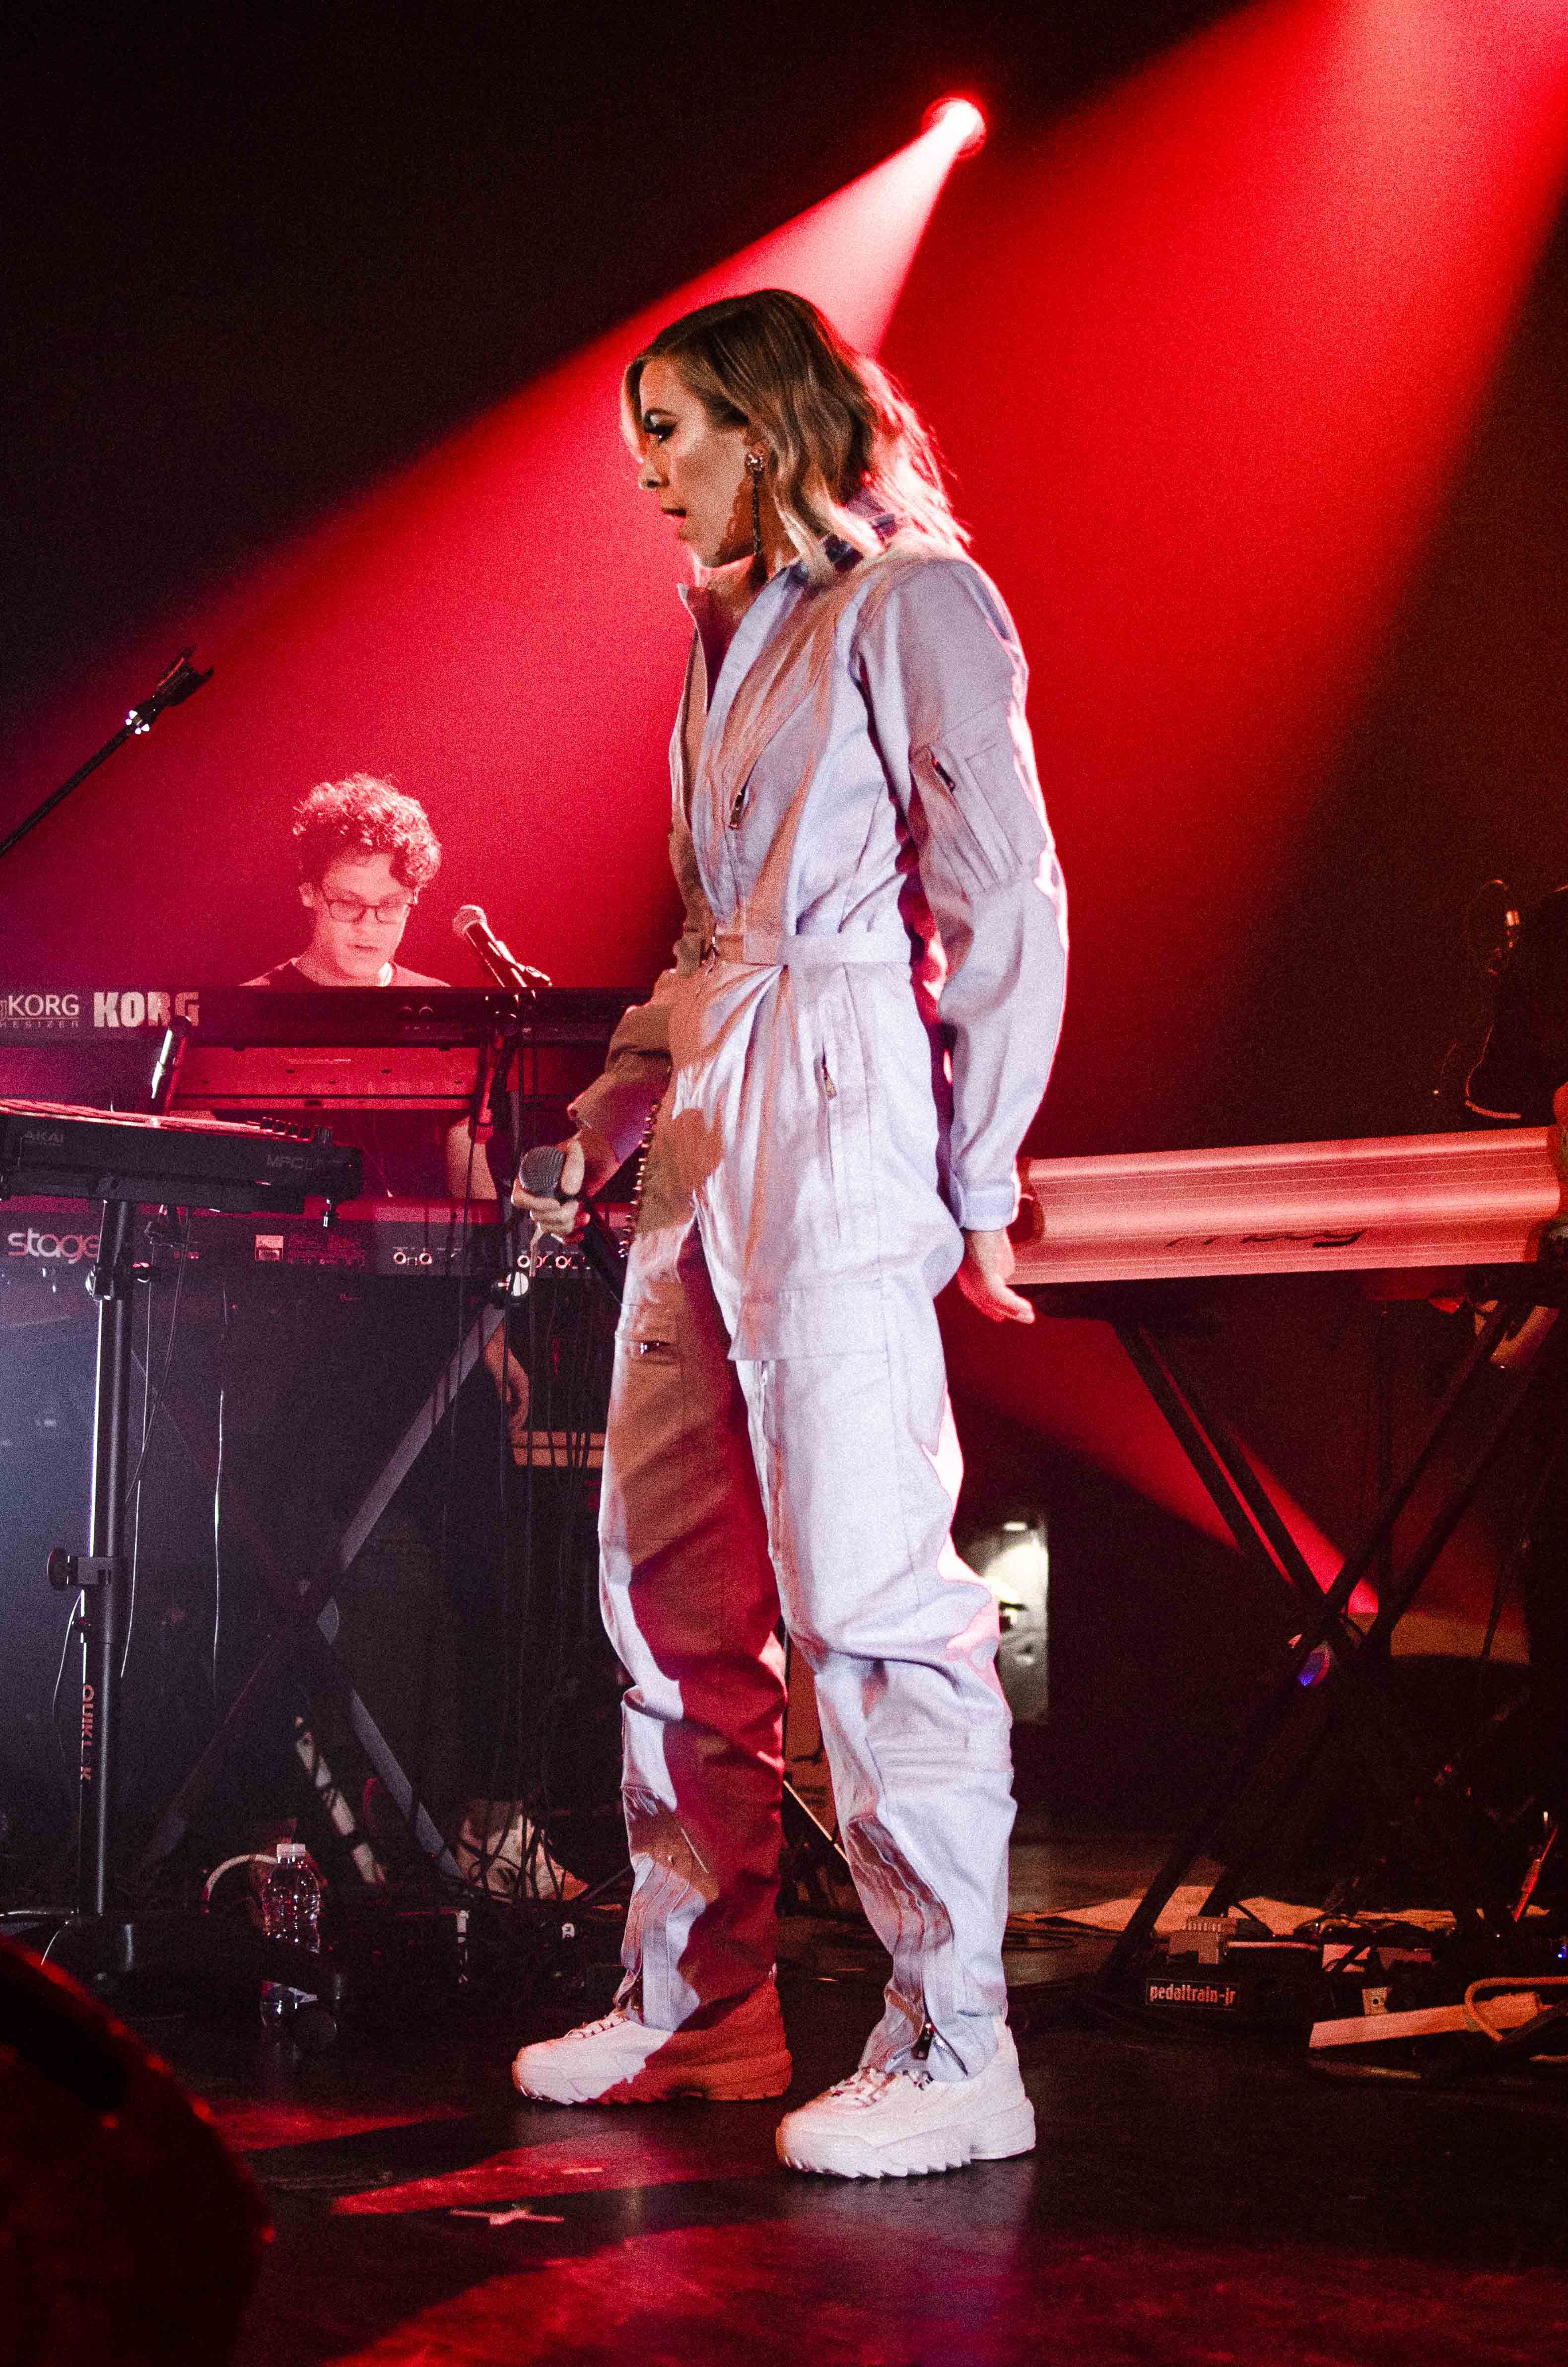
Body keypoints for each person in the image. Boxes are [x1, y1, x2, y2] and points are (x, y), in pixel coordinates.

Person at [509, 290, 1068, 2179]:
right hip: (713, 1116)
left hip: (838, 1101)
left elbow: (1005, 896)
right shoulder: (726, 632)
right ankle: (702, 2003)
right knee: (667, 1580)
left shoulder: (915, 602)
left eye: (670, 430)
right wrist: (612, 1102)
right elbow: (711, 934)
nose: (649, 473)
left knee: (867, 1591)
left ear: (770, 422)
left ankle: (957, 2037)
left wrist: (979, 1176)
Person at [245, 773, 448, 991]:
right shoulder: (246, 1005)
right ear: (309, 893)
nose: (368, 928)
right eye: (348, 903)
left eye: (390, 905)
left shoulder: (442, 1002)